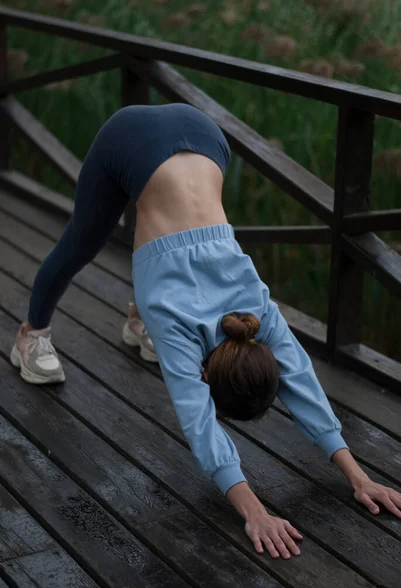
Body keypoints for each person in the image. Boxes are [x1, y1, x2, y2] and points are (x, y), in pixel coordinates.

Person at [11, 104, 401, 559]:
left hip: (205, 132)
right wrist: (253, 510)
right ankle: (31, 333)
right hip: (131, 135)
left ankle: (139, 317)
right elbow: (200, 424)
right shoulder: (181, 329)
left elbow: (301, 382)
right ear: (206, 374)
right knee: (82, 241)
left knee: (163, 237)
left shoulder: (256, 312)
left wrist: (360, 477)